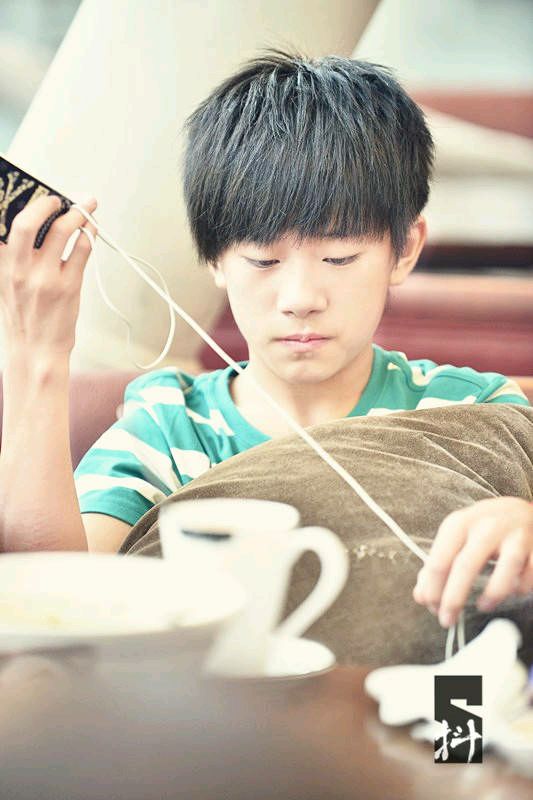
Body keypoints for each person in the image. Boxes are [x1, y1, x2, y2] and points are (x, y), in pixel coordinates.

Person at [0, 49, 531, 632]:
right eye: (263, 260)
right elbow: (59, 599)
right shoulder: (169, 429)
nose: (300, 297)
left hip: (441, 694)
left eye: (339, 257)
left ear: (404, 249)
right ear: (214, 259)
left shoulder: (474, 412)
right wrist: (37, 355)